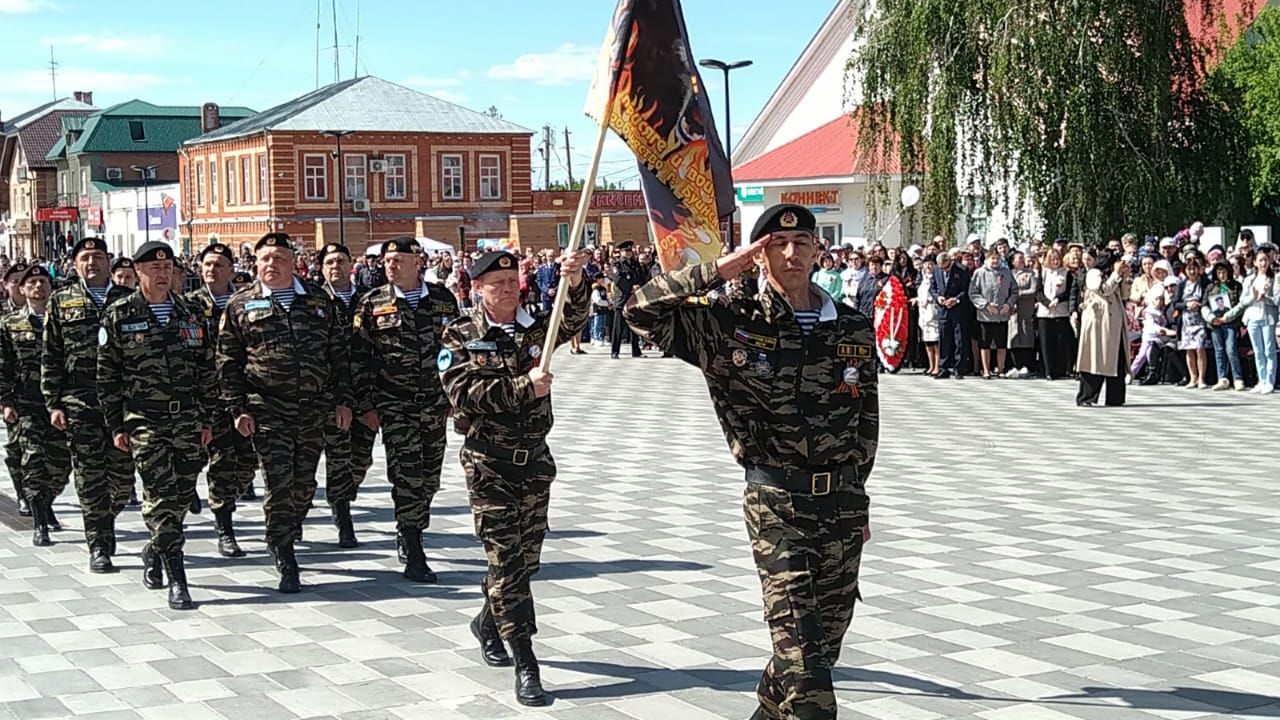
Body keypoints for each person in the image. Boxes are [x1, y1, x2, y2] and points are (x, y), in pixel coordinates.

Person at [625, 204, 877, 720]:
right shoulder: (731, 322)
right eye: (776, 246)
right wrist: (718, 270)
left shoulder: (849, 325)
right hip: (777, 502)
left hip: (842, 505)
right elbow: (639, 311)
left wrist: (860, 497)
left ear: (816, 250)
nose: (791, 254)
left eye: (802, 243)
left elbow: (865, 421)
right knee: (808, 675)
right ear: (758, 256)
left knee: (818, 650)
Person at [439, 248, 590, 706]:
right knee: (506, 562)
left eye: (512, 281)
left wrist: (577, 279)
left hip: (535, 462)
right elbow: (463, 392)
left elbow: (572, 316)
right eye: (496, 283)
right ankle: (526, 660)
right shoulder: (461, 334)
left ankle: (488, 621)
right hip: (490, 463)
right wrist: (525, 387)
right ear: (477, 288)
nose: (507, 289)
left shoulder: (535, 327)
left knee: (525, 562)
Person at [216, 232, 352, 593]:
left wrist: (342, 400)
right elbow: (228, 361)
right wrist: (237, 408)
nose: (271, 265)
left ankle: (288, 529)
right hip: (266, 407)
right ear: (255, 264)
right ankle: (284, 550)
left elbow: (338, 355)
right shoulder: (240, 305)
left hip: (313, 408)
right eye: (264, 259)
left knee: (304, 483)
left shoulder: (318, 301)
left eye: (278, 258)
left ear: (294, 263)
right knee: (278, 482)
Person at [97, 242, 215, 610]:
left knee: (180, 496)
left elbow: (207, 370)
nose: (163, 274)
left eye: (168, 268)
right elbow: (107, 378)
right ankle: (178, 579)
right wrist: (116, 425)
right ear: (138, 270)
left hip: (188, 419)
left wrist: (208, 418)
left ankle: (155, 548)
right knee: (161, 496)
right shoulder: (119, 315)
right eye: (154, 268)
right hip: (145, 419)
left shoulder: (192, 312)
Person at [352, 237, 459, 581]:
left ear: (418, 262)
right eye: (386, 261)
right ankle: (413, 544)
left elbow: (457, 351)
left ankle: (411, 525)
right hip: (394, 402)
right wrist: (367, 404)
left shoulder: (443, 299)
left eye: (398, 260)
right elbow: (359, 358)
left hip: (434, 402)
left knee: (430, 477)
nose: (391, 266)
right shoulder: (371, 302)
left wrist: (455, 396)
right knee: (406, 473)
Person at [41, 237, 135, 573]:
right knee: (89, 475)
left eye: (97, 256)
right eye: (85, 258)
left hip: (122, 405)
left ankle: (106, 516)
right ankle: (99, 542)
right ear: (75, 264)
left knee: (123, 478)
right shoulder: (61, 301)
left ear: (109, 261)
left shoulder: (129, 300)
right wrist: (53, 401)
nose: (92, 263)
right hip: (79, 401)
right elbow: (51, 354)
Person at [185, 243, 259, 557]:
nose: (212, 270)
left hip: (245, 395)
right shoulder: (186, 306)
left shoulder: (248, 303)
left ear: (232, 269)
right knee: (221, 461)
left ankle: (222, 497)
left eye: (219, 265)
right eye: (207, 265)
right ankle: (224, 526)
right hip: (208, 398)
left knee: (247, 462)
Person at [0, 265, 72, 545]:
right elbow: (3, 365)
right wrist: (5, 401)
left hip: (58, 404)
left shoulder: (63, 322)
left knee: (60, 464)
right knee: (32, 460)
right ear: (22, 289)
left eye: (43, 282)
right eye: (32, 283)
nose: (38, 287)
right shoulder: (10, 324)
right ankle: (39, 519)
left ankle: (47, 500)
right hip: (26, 403)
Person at [317, 243, 377, 549]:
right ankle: (343, 516)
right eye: (329, 262)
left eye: (341, 260)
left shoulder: (368, 301)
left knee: (361, 457)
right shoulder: (313, 302)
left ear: (351, 264)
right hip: (331, 394)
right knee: (338, 456)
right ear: (321, 268)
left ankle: (344, 494)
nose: (335, 266)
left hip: (364, 391)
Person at [1076, 252, 1133, 406]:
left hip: (1114, 323)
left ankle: (1115, 398)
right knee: (1095, 358)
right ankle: (1086, 397)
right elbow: (1103, 290)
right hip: (1099, 323)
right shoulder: (1094, 273)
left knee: (1117, 359)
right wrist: (1116, 273)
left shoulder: (1116, 276)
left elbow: (1125, 295)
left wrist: (1126, 278)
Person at [2, 262, 31, 516]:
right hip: (12, 390)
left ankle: (41, 497)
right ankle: (22, 493)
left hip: (38, 392)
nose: (21, 286)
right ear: (7, 285)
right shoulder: (3, 316)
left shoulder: (44, 311)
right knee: (16, 446)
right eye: (15, 281)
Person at [1227, 251, 1278, 393]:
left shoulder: (1275, 278)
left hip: (1268, 317)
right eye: (1260, 260)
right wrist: (1253, 297)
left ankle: (1270, 381)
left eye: (1266, 260)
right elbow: (1243, 300)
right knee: (1257, 350)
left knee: (1269, 350)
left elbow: (1277, 299)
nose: (1263, 263)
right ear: (1255, 262)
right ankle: (1261, 380)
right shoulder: (1249, 279)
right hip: (1253, 318)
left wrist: (1265, 297)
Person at [969, 249, 1016, 379]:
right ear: (987, 260)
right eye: (992, 259)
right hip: (985, 315)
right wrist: (986, 305)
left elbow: (1014, 291)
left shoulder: (1006, 272)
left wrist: (1008, 304)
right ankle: (986, 370)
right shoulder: (979, 273)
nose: (995, 261)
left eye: (997, 259)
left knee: (1001, 344)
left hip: (1002, 315)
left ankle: (1000, 370)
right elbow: (973, 293)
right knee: (985, 344)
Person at [1202, 261, 1245, 391]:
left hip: (1230, 322)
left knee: (1231, 349)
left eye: (1224, 272)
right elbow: (1204, 305)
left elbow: (1240, 305)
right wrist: (1211, 318)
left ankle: (1237, 378)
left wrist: (1228, 316)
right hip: (1215, 324)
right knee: (1219, 351)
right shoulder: (1210, 288)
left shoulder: (1236, 286)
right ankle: (1222, 378)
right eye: (1219, 272)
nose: (1222, 275)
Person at [932, 250, 973, 379]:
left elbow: (966, 290)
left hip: (958, 309)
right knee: (944, 339)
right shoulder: (936, 270)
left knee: (959, 339)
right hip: (943, 310)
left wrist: (956, 299)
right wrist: (938, 297)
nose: (944, 270)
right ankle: (943, 368)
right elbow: (932, 288)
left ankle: (959, 368)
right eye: (941, 268)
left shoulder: (962, 270)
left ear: (950, 261)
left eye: (946, 267)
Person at [1172, 255, 1210, 389]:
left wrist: (1199, 304)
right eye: (1189, 269)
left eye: (1194, 269)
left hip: (1200, 320)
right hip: (1186, 321)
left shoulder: (1204, 283)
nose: (1192, 272)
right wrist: (1186, 305)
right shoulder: (1182, 285)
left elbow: (1209, 298)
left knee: (1200, 348)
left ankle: (1201, 378)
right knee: (1189, 349)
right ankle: (1192, 377)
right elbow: (1175, 303)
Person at [1036, 248, 1074, 380]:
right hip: (1045, 313)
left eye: (1057, 259)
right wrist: (1047, 303)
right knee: (1046, 343)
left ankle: (1061, 369)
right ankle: (1048, 370)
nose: (1055, 262)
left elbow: (1069, 291)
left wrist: (1058, 299)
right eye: (1053, 259)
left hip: (1060, 311)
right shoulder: (1043, 273)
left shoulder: (1066, 273)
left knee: (1060, 341)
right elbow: (1039, 291)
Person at [608, 241, 645, 358]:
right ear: (621, 252)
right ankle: (615, 351)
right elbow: (618, 280)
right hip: (622, 298)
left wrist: (638, 286)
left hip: (634, 298)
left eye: (630, 250)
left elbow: (641, 277)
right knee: (618, 327)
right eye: (626, 251)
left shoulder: (635, 264)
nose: (628, 253)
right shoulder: (616, 265)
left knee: (635, 325)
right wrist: (631, 287)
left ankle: (636, 350)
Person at [1129, 288, 1176, 380]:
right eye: (1157, 299)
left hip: (1159, 337)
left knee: (1150, 354)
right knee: (1142, 356)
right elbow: (1153, 326)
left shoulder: (1161, 311)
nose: (1159, 302)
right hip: (1150, 336)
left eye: (1161, 299)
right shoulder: (1149, 311)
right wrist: (1167, 331)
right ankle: (1131, 373)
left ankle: (1152, 373)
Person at [1007, 251, 1037, 377]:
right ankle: (1015, 365)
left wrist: (1018, 293)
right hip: (1012, 310)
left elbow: (1033, 290)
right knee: (1013, 336)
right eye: (1019, 258)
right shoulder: (1008, 274)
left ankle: (1026, 365)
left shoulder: (1030, 274)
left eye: (1022, 258)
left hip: (1025, 308)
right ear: (1013, 261)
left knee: (1026, 335)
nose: (1021, 260)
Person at [916, 254, 941, 375]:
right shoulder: (922, 278)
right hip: (923, 311)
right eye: (926, 264)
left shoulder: (937, 277)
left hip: (934, 309)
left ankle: (937, 365)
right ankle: (931, 365)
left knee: (936, 339)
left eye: (931, 264)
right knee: (927, 339)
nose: (928, 266)